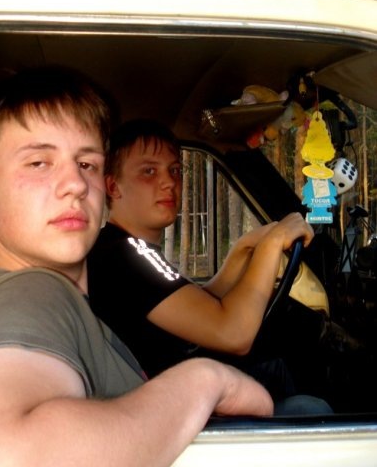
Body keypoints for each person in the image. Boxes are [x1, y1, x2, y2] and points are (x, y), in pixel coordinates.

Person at [0, 67, 273, 467]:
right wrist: (207, 381)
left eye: (87, 164)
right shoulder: (31, 295)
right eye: (39, 163)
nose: (75, 184)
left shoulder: (56, 298)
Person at [87, 119, 332, 411]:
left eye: (174, 170)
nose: (169, 182)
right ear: (113, 186)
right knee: (312, 408)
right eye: (149, 171)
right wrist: (271, 244)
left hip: (178, 391)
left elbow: (197, 305)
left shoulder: (125, 249)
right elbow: (233, 335)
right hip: (171, 412)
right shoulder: (125, 256)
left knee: (278, 368)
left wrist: (243, 249)